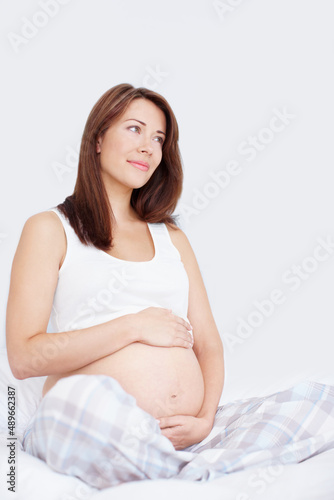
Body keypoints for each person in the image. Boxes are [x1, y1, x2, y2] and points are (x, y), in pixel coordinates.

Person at [6, 83, 226, 486]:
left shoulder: (171, 237)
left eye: (158, 138)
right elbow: (24, 357)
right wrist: (133, 326)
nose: (148, 147)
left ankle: (170, 464)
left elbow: (208, 343)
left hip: (184, 437)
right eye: (135, 129)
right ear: (98, 139)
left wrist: (205, 419)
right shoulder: (50, 229)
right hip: (88, 426)